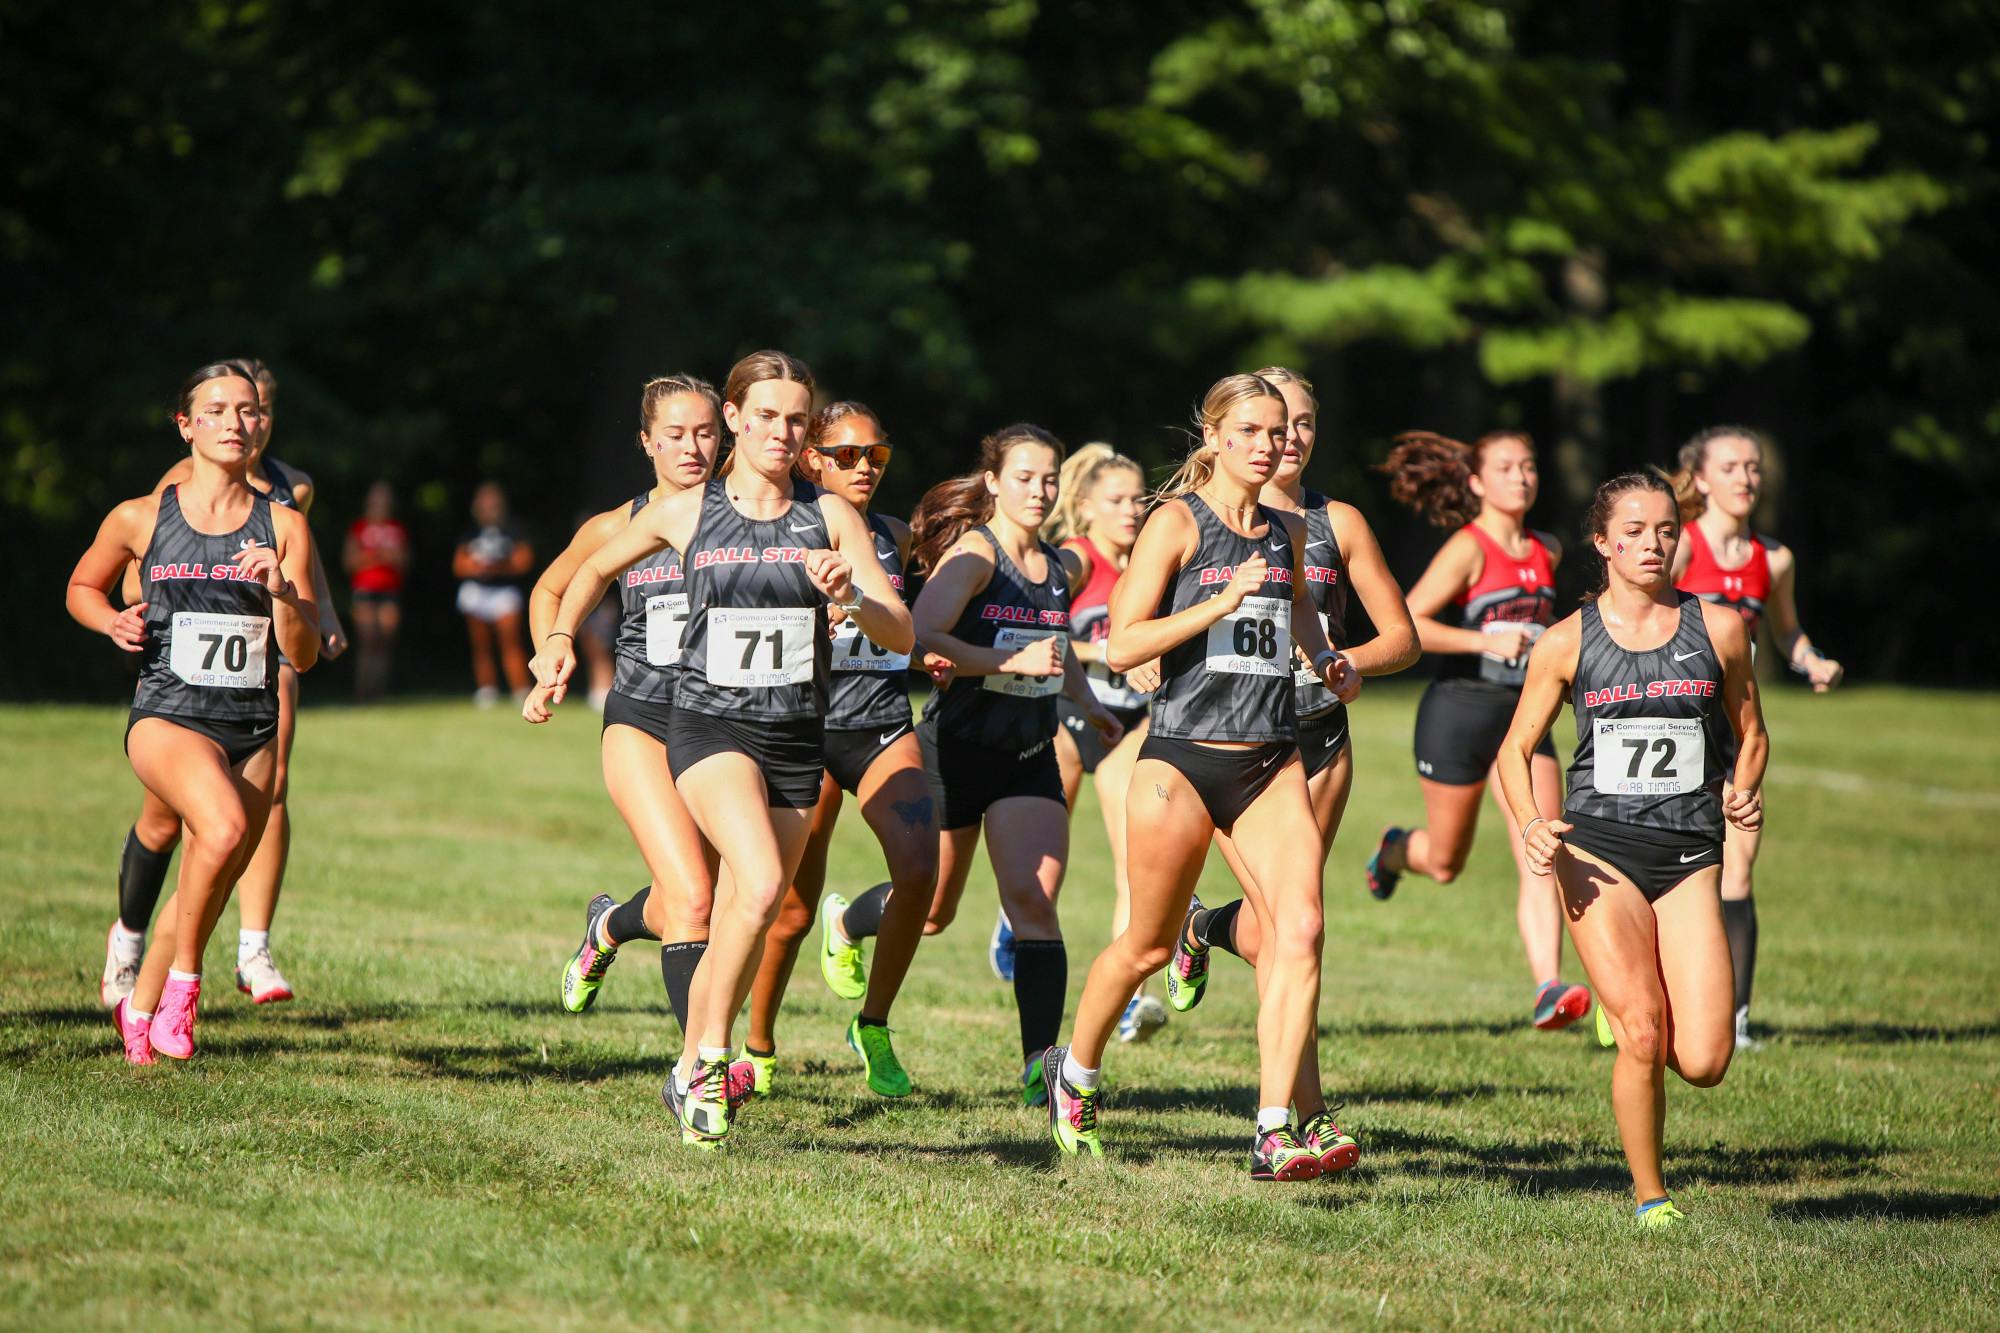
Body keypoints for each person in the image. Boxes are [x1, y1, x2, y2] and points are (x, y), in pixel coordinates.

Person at [532, 350, 912, 1150]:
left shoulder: (830, 516)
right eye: (765, 416)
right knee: (757, 881)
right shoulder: (687, 511)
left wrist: (850, 595)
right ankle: (709, 1060)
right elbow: (594, 565)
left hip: (794, 736)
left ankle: (685, 1064)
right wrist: (560, 640)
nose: (781, 431)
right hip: (706, 728)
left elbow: (899, 631)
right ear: (736, 417)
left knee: (755, 907)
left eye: (795, 419)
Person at [1041, 373, 1358, 1181]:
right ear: (1214, 436)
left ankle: (1276, 1128)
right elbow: (1123, 643)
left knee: (1303, 927)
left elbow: (1295, 611)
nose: (1270, 444)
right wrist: (1218, 604)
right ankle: (1074, 1071)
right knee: (1144, 945)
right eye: (1250, 430)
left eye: (1279, 430)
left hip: (1269, 757)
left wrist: (1324, 655)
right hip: (1180, 760)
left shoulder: (1286, 532)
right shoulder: (1176, 522)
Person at [1497, 469, 1767, 1227]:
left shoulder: (1717, 629)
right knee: (1644, 1031)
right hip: (1599, 847)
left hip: (1687, 854)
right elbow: (1515, 750)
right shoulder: (1566, 640)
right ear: (1603, 542)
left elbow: (1752, 734)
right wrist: (1530, 823)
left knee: (1707, 1059)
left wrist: (1743, 787)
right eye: (1636, 531)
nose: (1653, 544)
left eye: (1666, 531)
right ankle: (1653, 1197)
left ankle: (1624, 1011)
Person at [1165, 366, 1419, 1164]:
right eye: (1277, 424)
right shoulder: (1197, 518)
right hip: (1233, 743)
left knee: (1298, 927)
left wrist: (1340, 661)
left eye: (1304, 423)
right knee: (1285, 930)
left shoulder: (1333, 521)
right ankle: (1303, 1116)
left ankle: (1203, 929)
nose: (1289, 439)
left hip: (1319, 738)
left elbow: (1402, 637)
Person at [68, 363, 319, 1063]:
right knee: (224, 825)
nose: (235, 423)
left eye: (247, 411)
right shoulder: (143, 515)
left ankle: (140, 1011)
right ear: (187, 425)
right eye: (217, 410)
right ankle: (185, 985)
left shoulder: (287, 524)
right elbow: (82, 586)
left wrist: (282, 595)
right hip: (168, 714)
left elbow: (300, 651)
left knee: (211, 869)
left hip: (252, 723)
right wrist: (111, 621)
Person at [903, 423, 1124, 1107]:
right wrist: (1004, 660)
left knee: (1033, 901)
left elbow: (1054, 652)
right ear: (994, 481)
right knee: (933, 910)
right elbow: (919, 636)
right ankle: (850, 923)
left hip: (1028, 755)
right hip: (956, 753)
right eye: (1025, 476)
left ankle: (1040, 1064)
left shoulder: (1059, 567)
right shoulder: (974, 556)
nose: (1039, 489)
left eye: (1049, 477)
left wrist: (1089, 705)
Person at [522, 375, 728, 1065]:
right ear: (646, 441)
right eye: (674, 434)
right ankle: (699, 1070)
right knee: (694, 897)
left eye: (704, 432)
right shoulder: (619, 524)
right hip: (640, 718)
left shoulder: (746, 517)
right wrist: (552, 649)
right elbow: (553, 586)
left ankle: (607, 925)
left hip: (725, 726)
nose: (691, 447)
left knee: (701, 901)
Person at [744, 401, 947, 1098]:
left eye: (877, 456)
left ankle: (874, 1022)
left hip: (882, 722)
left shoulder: (891, 533)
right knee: (791, 908)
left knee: (922, 871)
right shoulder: (779, 527)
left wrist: (934, 656)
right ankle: (758, 1044)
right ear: (812, 459)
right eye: (848, 455)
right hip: (803, 728)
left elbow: (910, 625)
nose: (865, 468)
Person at [1363, 430, 1592, 1032]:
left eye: (1529, 465)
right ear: (1476, 482)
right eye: (1506, 467)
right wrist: (1483, 640)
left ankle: (1548, 985)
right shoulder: (1469, 548)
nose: (1521, 476)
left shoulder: (1547, 547)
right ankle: (1392, 852)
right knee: (1445, 862)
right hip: (1459, 711)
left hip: (1523, 717)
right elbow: (1408, 622)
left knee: (1544, 847)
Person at [985, 442, 1163, 1041]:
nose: (1131, 510)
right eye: (1116, 500)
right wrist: (1109, 652)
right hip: (1063, 711)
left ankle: (1133, 1001)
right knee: (1046, 867)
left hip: (1128, 723)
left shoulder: (1152, 562)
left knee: (1135, 862)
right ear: (1084, 508)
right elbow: (1040, 618)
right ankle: (1015, 922)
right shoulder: (1078, 561)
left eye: (1139, 498)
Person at [1671, 425, 1842, 1049]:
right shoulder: (1680, 546)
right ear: (1702, 478)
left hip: (1739, 728)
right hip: (1678, 724)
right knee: (1674, 865)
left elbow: (1786, 629)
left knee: (1738, 871)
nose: (1747, 477)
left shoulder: (1776, 559)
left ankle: (1733, 1019)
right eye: (1733, 466)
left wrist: (1811, 660)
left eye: (1754, 467)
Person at [455, 481, 534, 706]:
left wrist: (500, 567)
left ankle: (520, 689)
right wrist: (477, 568)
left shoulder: (513, 531)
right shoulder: (470, 533)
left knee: (510, 641)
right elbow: (459, 564)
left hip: (504, 591)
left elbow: (524, 560)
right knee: (481, 644)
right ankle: (487, 689)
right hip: (476, 591)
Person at [344, 481, 407, 701]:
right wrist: (378, 556)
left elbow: (403, 560)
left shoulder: (396, 529)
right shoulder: (359, 528)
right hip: (365, 590)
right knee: (367, 642)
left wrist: (375, 556)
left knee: (384, 643)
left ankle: (380, 692)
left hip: (389, 591)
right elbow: (350, 561)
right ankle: (363, 693)